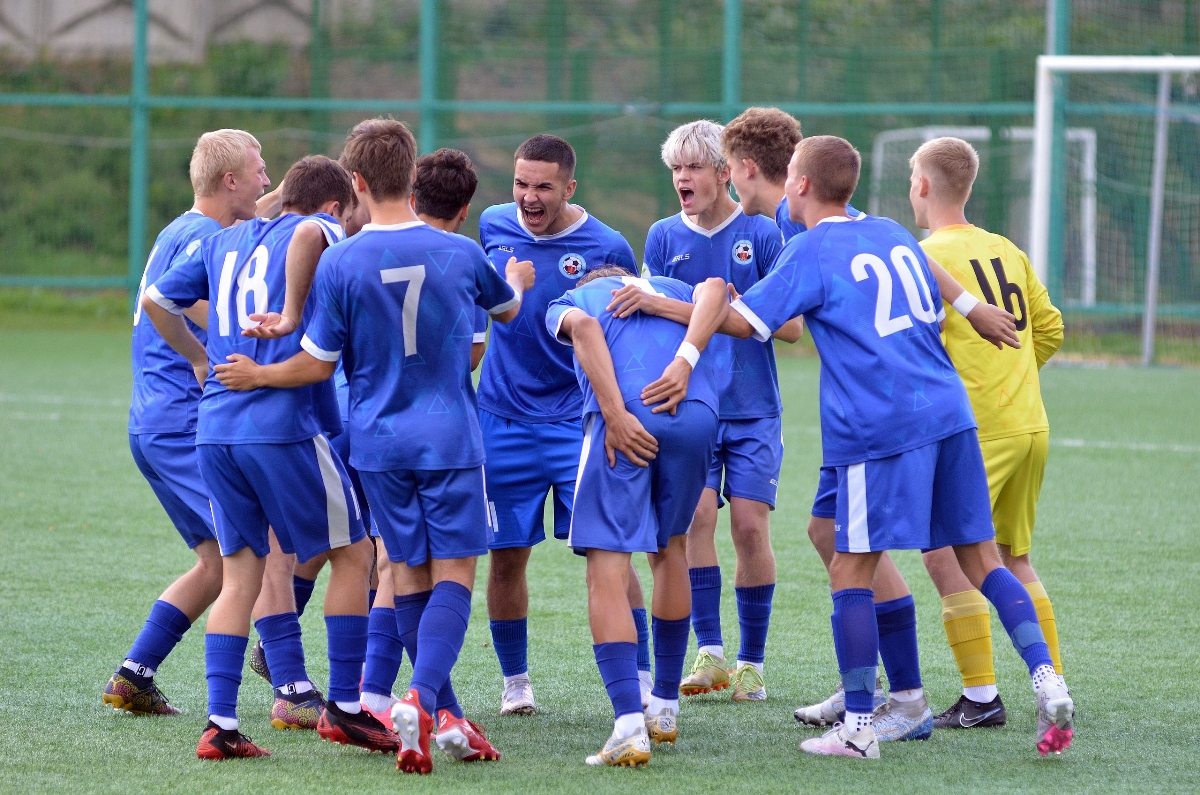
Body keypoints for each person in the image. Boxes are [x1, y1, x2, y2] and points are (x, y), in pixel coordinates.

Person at [722, 135, 1075, 759]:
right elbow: (924, 264)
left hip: (878, 428)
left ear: (798, 184)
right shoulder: (886, 228)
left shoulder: (808, 248)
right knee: (979, 557)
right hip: (950, 413)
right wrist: (971, 305)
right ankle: (1047, 680)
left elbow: (744, 323)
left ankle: (860, 725)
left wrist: (670, 304)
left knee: (852, 568)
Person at [213, 119, 535, 774]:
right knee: (455, 574)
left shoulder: (342, 259)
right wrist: (519, 283)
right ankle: (420, 698)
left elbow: (316, 359)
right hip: (448, 435)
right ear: (413, 178)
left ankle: (442, 714)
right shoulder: (461, 251)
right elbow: (507, 313)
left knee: (406, 571)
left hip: (376, 443)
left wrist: (278, 339)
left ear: (355, 181)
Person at [142, 154, 393, 760]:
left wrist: (200, 359)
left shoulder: (225, 240)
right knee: (356, 554)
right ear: (336, 205)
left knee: (243, 573)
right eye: (348, 216)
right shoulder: (316, 226)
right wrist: (292, 314)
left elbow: (155, 300)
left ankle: (221, 725)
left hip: (215, 430)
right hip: (280, 424)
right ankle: (347, 707)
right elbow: (310, 231)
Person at [620, 119, 797, 702]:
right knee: (695, 519)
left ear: (725, 172)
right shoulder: (662, 236)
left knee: (749, 525)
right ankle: (712, 653)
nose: (681, 178)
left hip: (751, 406)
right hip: (690, 404)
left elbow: (790, 325)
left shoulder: (763, 232)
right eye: (675, 168)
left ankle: (751, 662)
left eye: (692, 167)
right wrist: (694, 308)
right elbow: (647, 312)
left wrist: (704, 306)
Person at [475, 134, 647, 715]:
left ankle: (642, 683)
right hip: (501, 420)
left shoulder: (608, 244)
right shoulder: (493, 224)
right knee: (506, 556)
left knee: (610, 554)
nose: (528, 196)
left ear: (570, 188)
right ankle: (516, 682)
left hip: (579, 422)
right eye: (521, 183)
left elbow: (622, 331)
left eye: (543, 186)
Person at [104, 129, 271, 717]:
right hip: (181, 423)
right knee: (257, 549)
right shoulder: (207, 238)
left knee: (215, 561)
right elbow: (188, 305)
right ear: (231, 181)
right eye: (259, 171)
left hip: (154, 422)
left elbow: (262, 216)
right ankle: (288, 678)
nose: (266, 181)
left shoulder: (184, 227)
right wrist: (214, 351)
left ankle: (134, 674)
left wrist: (299, 193)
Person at [908, 136, 1066, 729]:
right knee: (1013, 555)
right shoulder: (1005, 248)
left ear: (922, 185)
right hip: (1029, 422)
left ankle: (980, 696)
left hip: (975, 429)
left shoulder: (928, 257)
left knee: (944, 552)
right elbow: (1048, 329)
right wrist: (1014, 376)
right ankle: (1051, 679)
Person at [546, 266, 729, 767]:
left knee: (607, 564)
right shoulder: (670, 287)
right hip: (696, 413)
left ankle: (629, 725)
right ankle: (665, 708)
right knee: (670, 549)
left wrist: (614, 415)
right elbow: (717, 289)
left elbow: (583, 330)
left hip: (627, 414)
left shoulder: (574, 295)